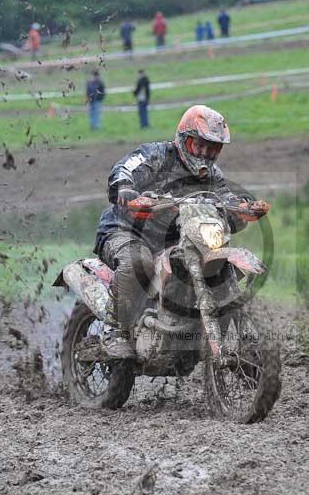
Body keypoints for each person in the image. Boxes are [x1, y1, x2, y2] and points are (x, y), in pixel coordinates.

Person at [94, 105, 269, 358]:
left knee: (212, 257)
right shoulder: (156, 155)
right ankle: (114, 330)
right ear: (184, 140)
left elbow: (226, 198)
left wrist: (244, 208)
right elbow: (125, 168)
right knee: (136, 261)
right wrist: (125, 190)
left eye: (212, 149)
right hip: (127, 230)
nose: (205, 154)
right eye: (200, 146)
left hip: (176, 239)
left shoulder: (212, 175)